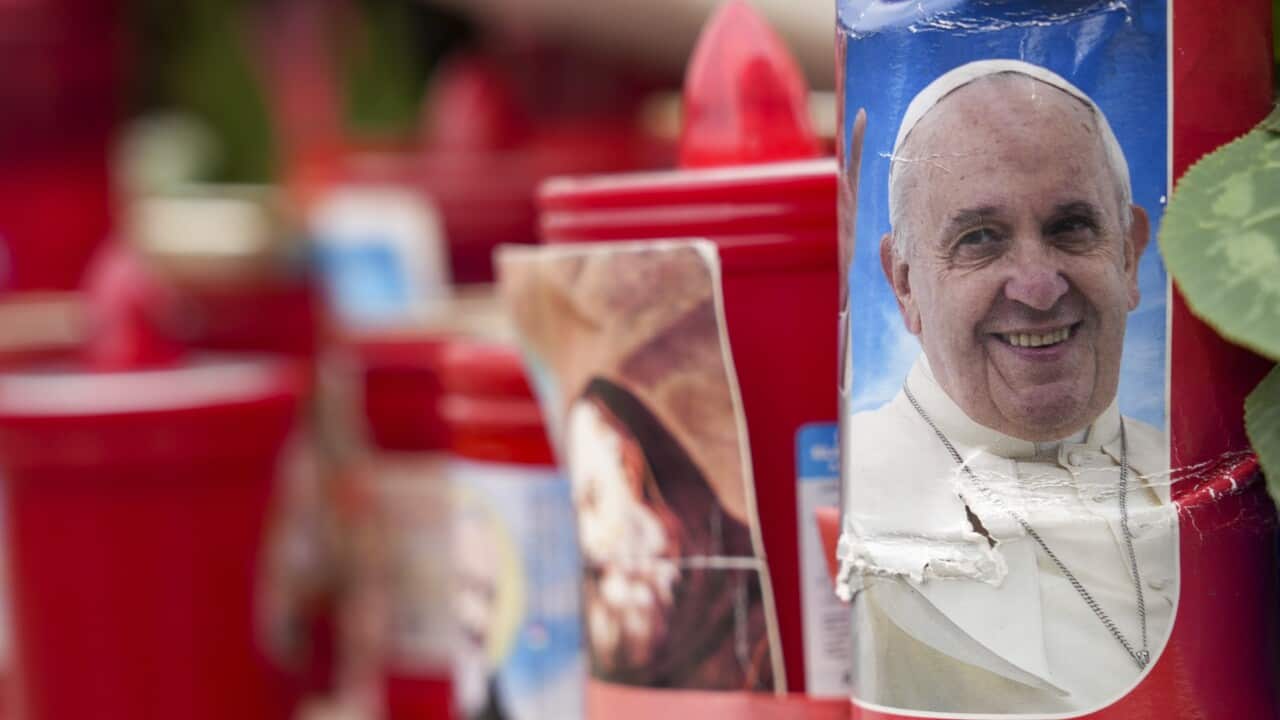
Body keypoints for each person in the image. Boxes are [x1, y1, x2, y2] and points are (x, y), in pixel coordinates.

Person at [835, 60, 1175, 714]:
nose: (1039, 286)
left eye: (1070, 227)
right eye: (980, 239)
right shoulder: (848, 481)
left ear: (1129, 255)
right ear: (905, 284)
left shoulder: (1210, 474)